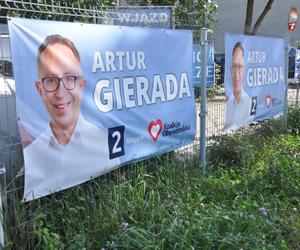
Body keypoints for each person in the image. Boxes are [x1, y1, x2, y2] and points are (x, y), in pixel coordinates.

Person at [22, 34, 120, 201]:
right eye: (51, 80)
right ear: (40, 90)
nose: (61, 93)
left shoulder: (105, 146)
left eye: (69, 78)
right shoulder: (32, 154)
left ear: (81, 85)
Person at [224, 41, 253, 132]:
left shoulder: (249, 102)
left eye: (239, 67)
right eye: (234, 67)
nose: (236, 75)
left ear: (245, 70)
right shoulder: (229, 102)